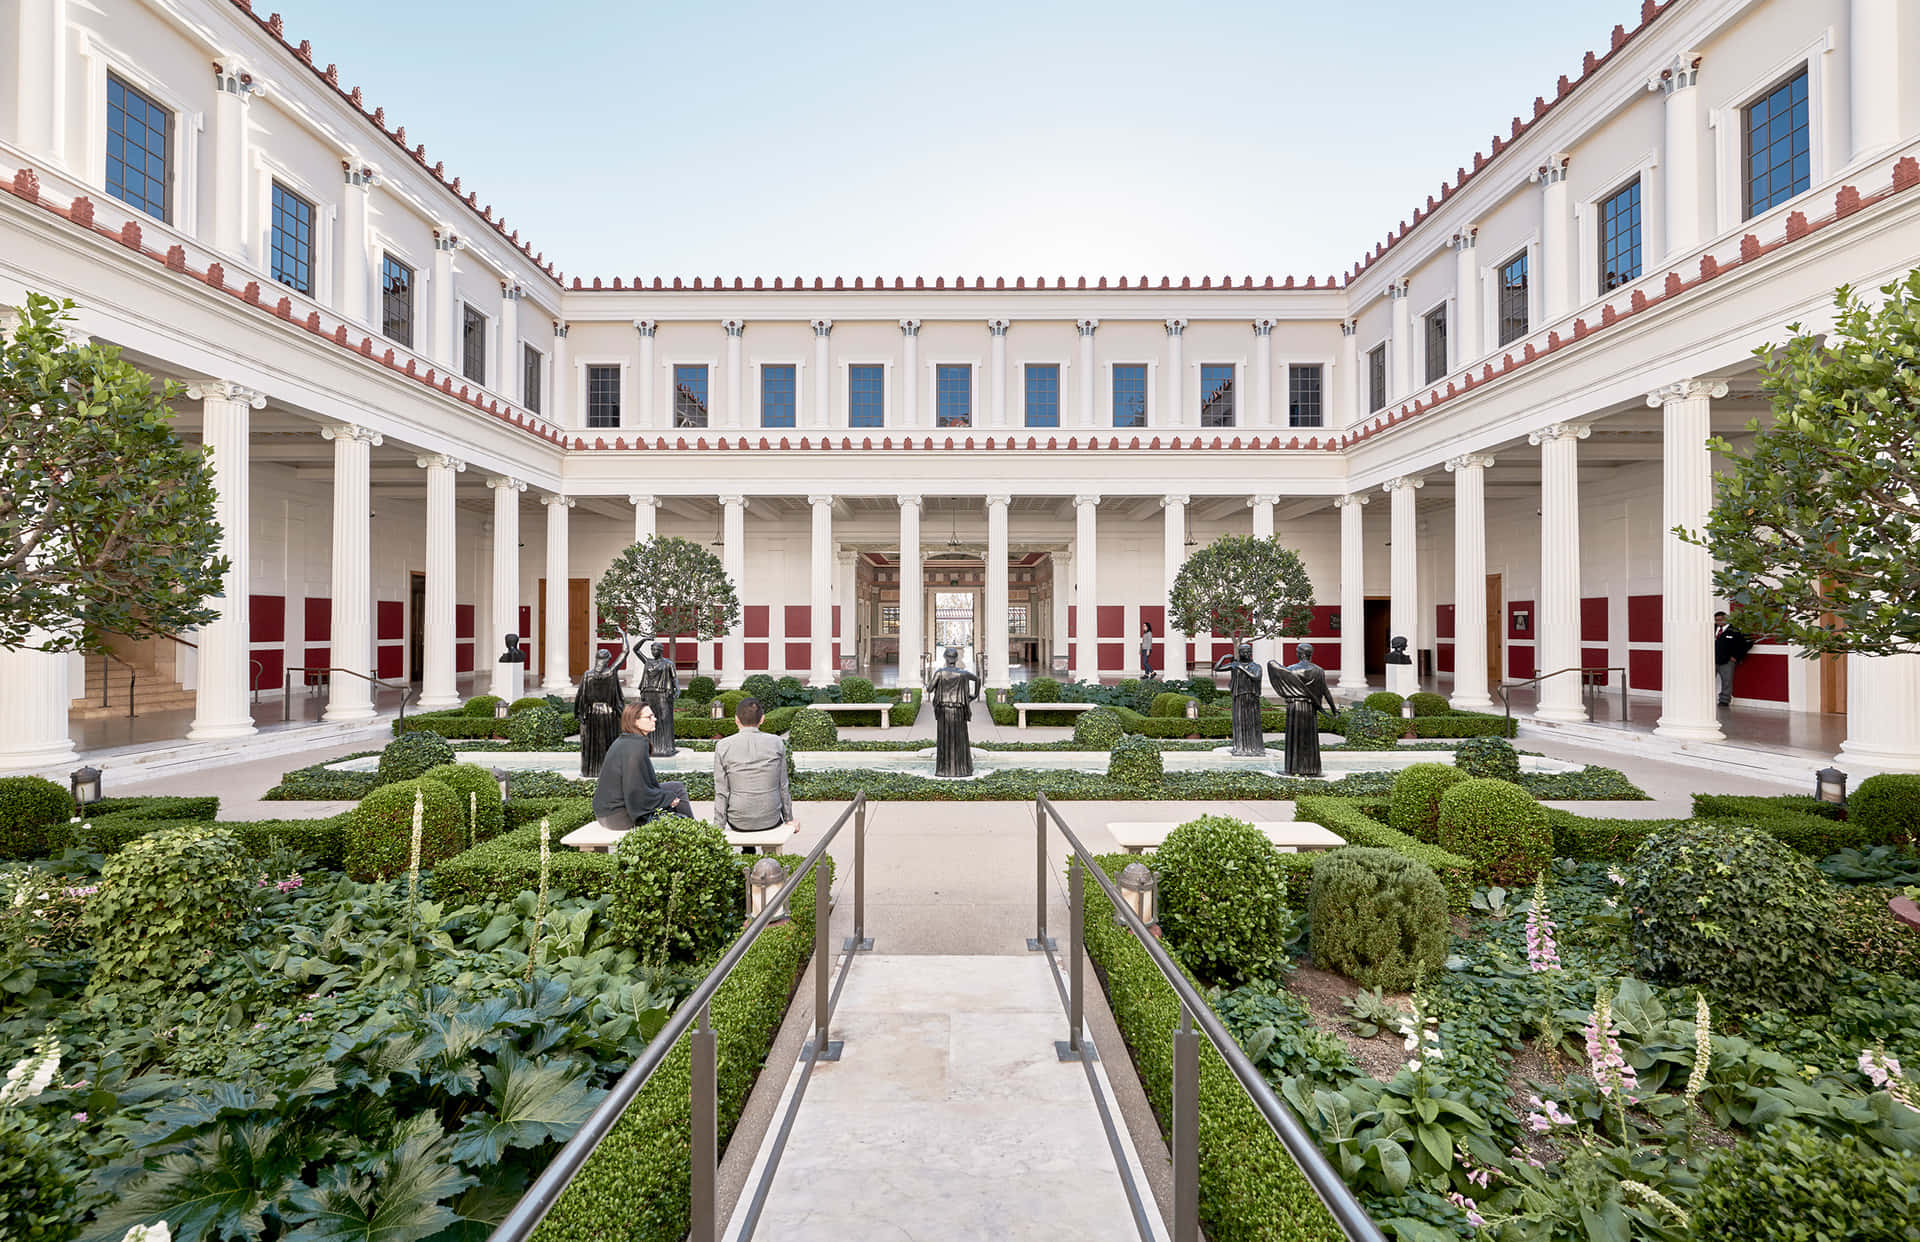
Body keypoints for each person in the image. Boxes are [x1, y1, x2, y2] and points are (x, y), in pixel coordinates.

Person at [713, 697, 796, 854]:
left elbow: (721, 791)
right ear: (762, 719)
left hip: (738, 820)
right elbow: (783, 786)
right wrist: (789, 819)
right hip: (770, 818)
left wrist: (718, 828)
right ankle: (768, 860)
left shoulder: (722, 746)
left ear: (736, 719)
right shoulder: (777, 742)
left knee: (743, 810)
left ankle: (748, 852)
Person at [593, 702, 690, 832]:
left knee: (676, 788)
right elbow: (635, 790)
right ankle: (694, 834)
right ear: (634, 721)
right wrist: (666, 799)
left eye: (653, 715)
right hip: (618, 816)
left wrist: (665, 797)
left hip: (608, 812)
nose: (654, 719)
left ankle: (693, 830)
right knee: (673, 795)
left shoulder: (626, 740)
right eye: (649, 717)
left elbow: (636, 786)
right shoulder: (636, 746)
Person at [1267, 643, 1338, 777]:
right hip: (1310, 708)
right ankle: (1312, 769)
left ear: (1300, 654)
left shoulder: (1291, 670)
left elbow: (1279, 681)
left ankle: (1293, 769)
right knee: (1310, 738)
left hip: (1295, 706)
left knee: (1294, 737)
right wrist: (1334, 709)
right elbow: (1325, 691)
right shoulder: (1319, 670)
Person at [926, 645, 981, 778]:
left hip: (944, 710)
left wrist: (930, 680)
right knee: (960, 738)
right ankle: (962, 769)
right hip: (958, 711)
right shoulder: (963, 673)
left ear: (945, 658)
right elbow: (978, 680)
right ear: (956, 659)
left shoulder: (939, 673)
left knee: (944, 738)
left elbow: (929, 689)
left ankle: (943, 770)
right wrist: (974, 696)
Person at [574, 647, 627, 778]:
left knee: (592, 744)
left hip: (592, 712)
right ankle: (610, 772)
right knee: (609, 743)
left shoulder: (588, 674)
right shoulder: (610, 672)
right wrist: (622, 634)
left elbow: (580, 696)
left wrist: (578, 713)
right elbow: (625, 652)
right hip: (609, 712)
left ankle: (591, 771)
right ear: (608, 660)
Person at [1212, 641, 1266, 757]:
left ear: (1250, 653)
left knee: (1252, 722)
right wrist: (1223, 658)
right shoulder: (1234, 665)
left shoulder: (1256, 666)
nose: (1244, 653)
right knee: (1239, 722)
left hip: (1251, 697)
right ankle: (1240, 747)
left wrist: (1242, 668)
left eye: (1247, 651)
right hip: (1239, 696)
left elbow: (1256, 677)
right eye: (1242, 651)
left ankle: (1256, 748)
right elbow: (1217, 668)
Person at [637, 639, 679, 756]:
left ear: (661, 651)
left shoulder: (668, 663)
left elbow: (674, 678)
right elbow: (636, 650)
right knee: (648, 717)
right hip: (648, 693)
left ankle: (666, 746)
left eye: (656, 649)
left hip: (662, 693)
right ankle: (651, 746)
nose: (654, 651)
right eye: (652, 649)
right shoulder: (647, 661)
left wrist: (678, 689)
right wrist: (644, 639)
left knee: (664, 718)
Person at [1713, 610, 1750, 707]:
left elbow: (1748, 642)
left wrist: (1736, 656)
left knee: (1727, 681)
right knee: (1706, 680)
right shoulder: (1711, 629)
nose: (1719, 622)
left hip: (1727, 661)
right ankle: (1705, 698)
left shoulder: (1735, 630)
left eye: (1721, 620)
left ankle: (1724, 700)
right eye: (1716, 620)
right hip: (1712, 660)